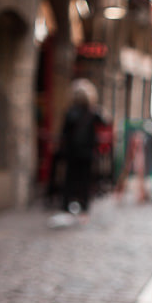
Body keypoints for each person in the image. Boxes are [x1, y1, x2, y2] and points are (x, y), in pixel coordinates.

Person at [57, 78, 104, 218]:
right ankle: (84, 204)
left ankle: (66, 203)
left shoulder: (70, 112)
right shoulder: (92, 113)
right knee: (85, 178)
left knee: (70, 178)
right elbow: (105, 121)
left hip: (73, 151)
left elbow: (64, 133)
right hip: (87, 151)